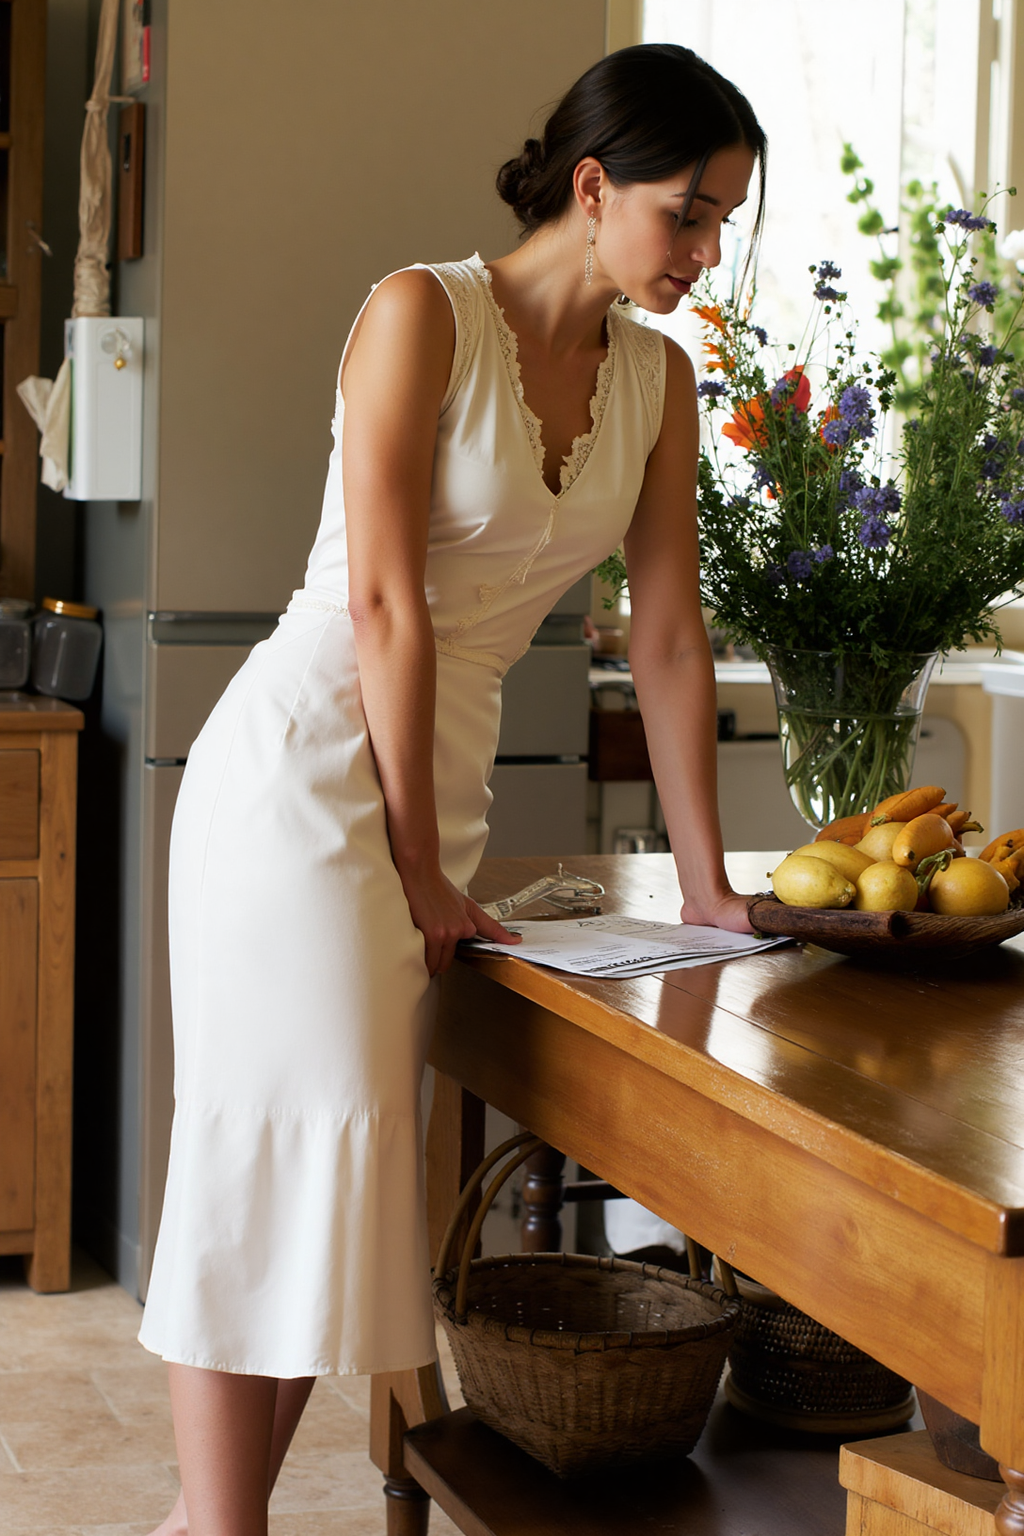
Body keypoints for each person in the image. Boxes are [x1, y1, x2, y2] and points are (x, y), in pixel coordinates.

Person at [140, 42, 766, 1536]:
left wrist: (702, 883)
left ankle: (200, 1525)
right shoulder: (418, 313)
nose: (707, 252)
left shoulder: (658, 382)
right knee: (275, 1144)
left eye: (726, 222)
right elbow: (384, 610)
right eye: (688, 213)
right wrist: (421, 866)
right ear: (595, 185)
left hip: (433, 792)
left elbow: (671, 636)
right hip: (298, 789)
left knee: (339, 1183)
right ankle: (220, 1529)